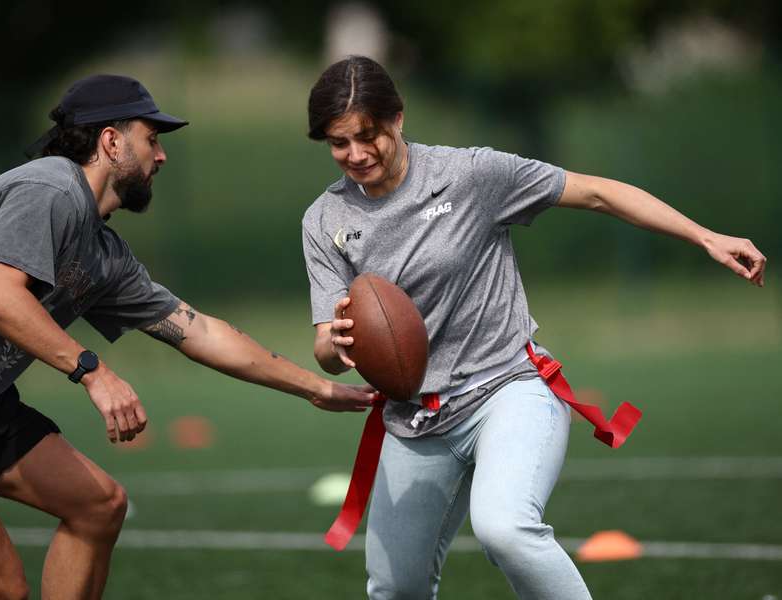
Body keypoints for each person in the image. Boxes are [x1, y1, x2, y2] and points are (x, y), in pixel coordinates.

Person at [0, 74, 375, 600]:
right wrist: (92, 371)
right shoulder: (48, 187)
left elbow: (202, 331)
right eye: (152, 139)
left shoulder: (102, 254)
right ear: (111, 141)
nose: (160, 157)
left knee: (98, 506)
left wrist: (313, 388)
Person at [301, 56, 766, 600]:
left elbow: (597, 192)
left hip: (507, 390)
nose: (356, 154)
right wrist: (334, 346)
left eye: (368, 135)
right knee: (394, 587)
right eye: (338, 143)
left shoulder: (471, 175)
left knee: (507, 529)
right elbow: (325, 349)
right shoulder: (324, 220)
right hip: (413, 420)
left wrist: (705, 237)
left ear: (397, 120)